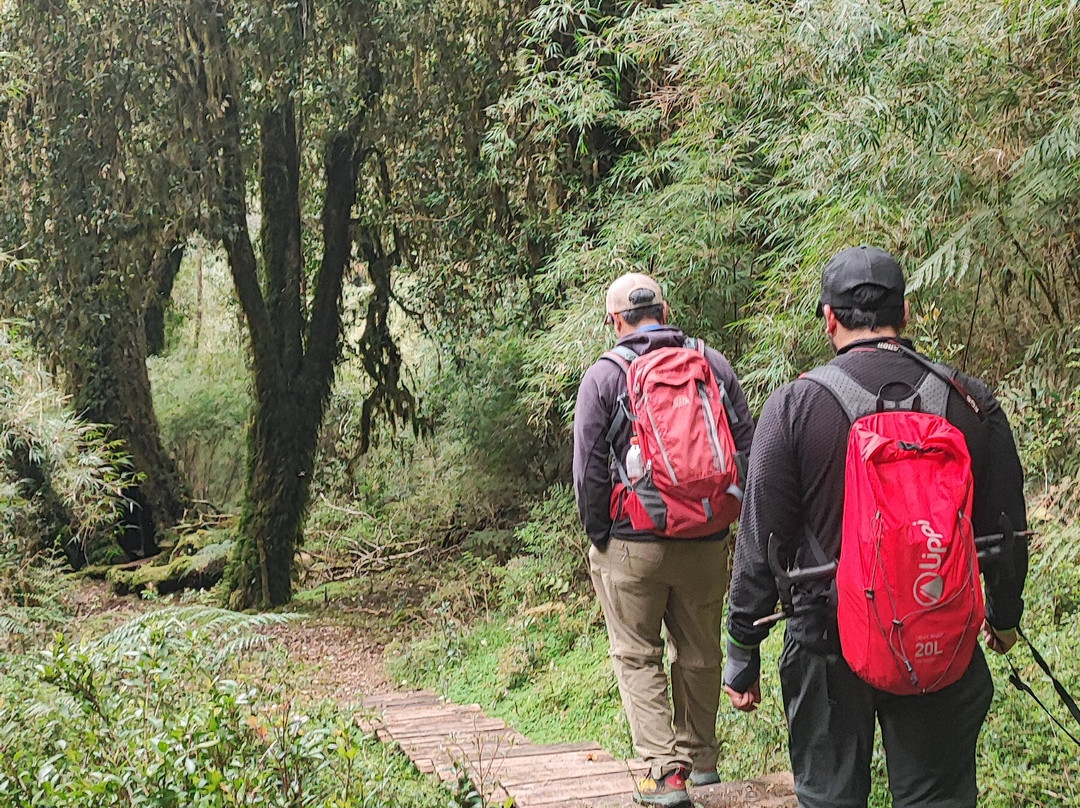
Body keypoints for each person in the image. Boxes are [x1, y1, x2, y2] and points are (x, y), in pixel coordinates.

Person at [723, 246, 1028, 808]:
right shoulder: (971, 402)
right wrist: (1005, 617)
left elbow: (761, 539)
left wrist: (743, 647)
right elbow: (1007, 529)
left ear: (829, 318)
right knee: (938, 797)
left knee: (830, 797)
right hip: (936, 629)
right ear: (905, 312)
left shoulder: (795, 406)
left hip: (825, 641)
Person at [573, 272, 755, 807]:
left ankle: (663, 775)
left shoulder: (604, 376)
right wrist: (726, 514)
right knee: (700, 653)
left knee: (637, 654)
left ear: (614, 320)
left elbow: (588, 473)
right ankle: (701, 764)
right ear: (666, 308)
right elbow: (747, 446)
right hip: (706, 538)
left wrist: (601, 536)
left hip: (633, 542)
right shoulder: (711, 363)